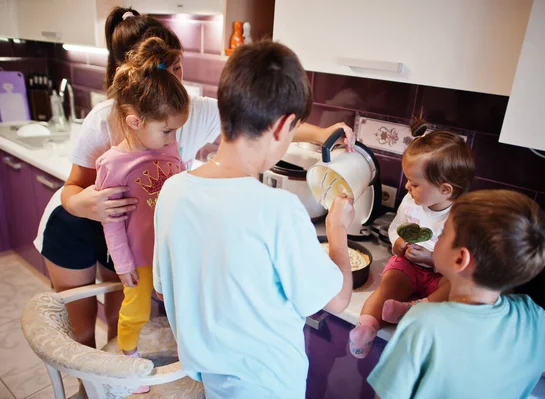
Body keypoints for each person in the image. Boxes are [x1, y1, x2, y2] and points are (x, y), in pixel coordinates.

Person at [33, 6, 355, 351]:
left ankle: (117, 380)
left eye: (177, 68)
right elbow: (74, 185)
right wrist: (87, 203)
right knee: (82, 331)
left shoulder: (188, 124)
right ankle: (91, 387)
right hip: (79, 219)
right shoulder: (105, 120)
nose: (176, 82)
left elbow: (254, 119)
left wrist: (321, 133)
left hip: (133, 227)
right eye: (164, 72)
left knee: (121, 317)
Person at [153, 40, 354, 399]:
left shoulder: (172, 191)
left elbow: (164, 287)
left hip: (213, 383)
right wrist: (338, 227)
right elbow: (337, 299)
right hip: (271, 388)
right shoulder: (278, 210)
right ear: (283, 127)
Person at [368, 189, 545, 398]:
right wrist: (530, 362)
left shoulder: (423, 322)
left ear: (460, 259)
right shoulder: (534, 320)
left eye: (444, 234)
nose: (436, 240)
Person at [95, 37, 188, 393]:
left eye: (175, 129)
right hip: (138, 257)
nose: (172, 137)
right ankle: (130, 363)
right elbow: (111, 221)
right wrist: (122, 262)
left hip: (170, 251)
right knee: (135, 311)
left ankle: (186, 357)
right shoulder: (112, 164)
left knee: (178, 308)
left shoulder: (169, 146)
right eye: (166, 129)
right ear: (134, 122)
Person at [349, 131, 475, 358]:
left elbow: (461, 262)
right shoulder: (411, 202)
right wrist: (397, 242)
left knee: (454, 287)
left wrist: (432, 259)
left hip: (441, 274)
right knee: (389, 283)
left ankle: (410, 309)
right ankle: (366, 326)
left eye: (415, 183)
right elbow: (396, 226)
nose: (407, 187)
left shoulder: (462, 215)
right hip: (409, 265)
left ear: (445, 190)